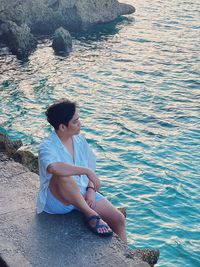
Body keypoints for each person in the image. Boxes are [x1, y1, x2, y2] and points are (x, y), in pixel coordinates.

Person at [36, 99, 127, 241]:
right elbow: (53, 167)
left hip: (84, 195)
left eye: (79, 119)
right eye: (75, 121)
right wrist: (86, 171)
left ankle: (126, 260)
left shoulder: (80, 140)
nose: (80, 123)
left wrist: (90, 190)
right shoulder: (46, 146)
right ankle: (89, 214)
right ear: (62, 127)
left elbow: (90, 167)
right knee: (62, 175)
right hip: (59, 201)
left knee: (119, 219)